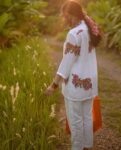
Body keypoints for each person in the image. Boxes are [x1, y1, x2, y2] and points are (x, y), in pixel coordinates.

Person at [45, 1, 101, 150]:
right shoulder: (89, 26)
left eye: (66, 16)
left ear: (73, 15)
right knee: (87, 116)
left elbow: (66, 63)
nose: (65, 19)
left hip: (76, 85)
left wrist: (54, 85)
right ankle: (87, 146)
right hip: (90, 82)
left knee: (75, 121)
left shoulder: (74, 34)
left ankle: (77, 148)